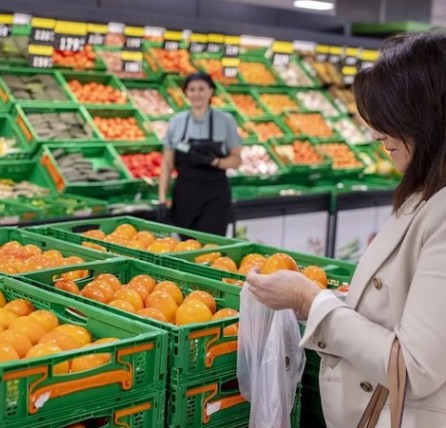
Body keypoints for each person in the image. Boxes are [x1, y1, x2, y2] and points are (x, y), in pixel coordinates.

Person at [245, 32, 446, 427]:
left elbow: (415, 366)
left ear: (426, 117)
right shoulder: (425, 192)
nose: (375, 134)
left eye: (388, 118)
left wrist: (311, 302)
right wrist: (356, 303)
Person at [158, 72, 242, 235]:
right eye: (192, 89)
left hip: (215, 198)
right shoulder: (176, 122)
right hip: (184, 197)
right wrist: (162, 199)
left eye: (202, 89)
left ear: (211, 91)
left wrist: (215, 162)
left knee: (211, 249)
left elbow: (236, 160)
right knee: (186, 248)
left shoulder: (225, 120)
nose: (197, 94)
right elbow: (167, 164)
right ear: (186, 93)